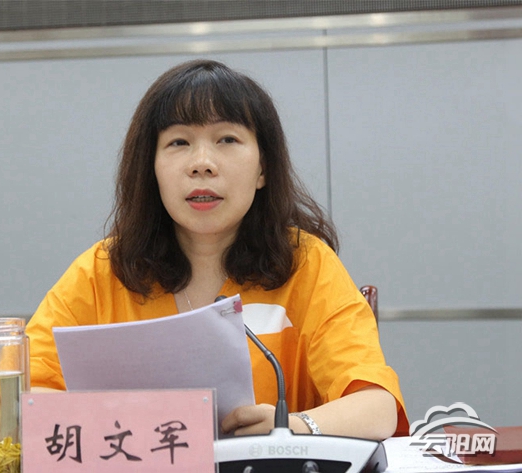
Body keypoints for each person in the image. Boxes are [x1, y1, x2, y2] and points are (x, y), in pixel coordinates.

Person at [26, 59, 409, 439]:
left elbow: (375, 409)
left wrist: (290, 427)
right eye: (179, 142)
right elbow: (18, 399)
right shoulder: (103, 270)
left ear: (263, 169)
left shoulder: (306, 264)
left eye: (227, 140)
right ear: (151, 168)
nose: (202, 164)